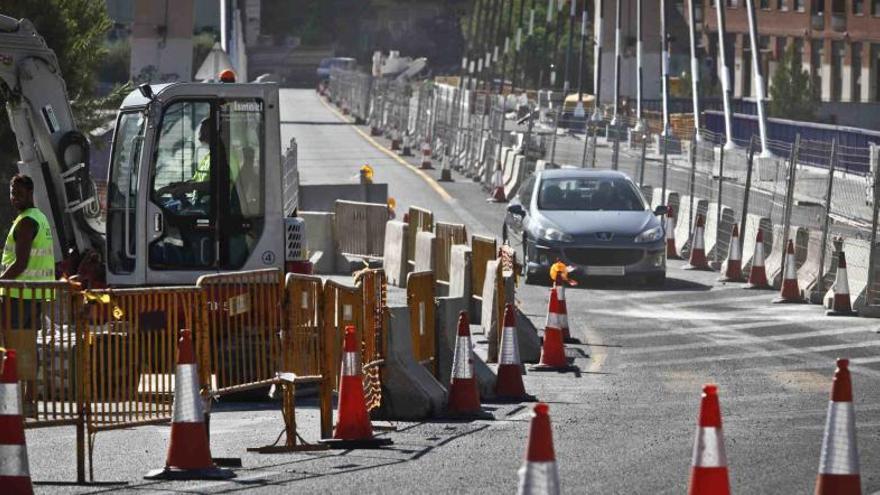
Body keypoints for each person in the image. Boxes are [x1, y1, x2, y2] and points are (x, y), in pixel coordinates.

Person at [0, 174, 56, 328]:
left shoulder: (26, 222)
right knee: (27, 347)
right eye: (13, 193)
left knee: (10, 345)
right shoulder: (40, 218)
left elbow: (21, 263)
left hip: (17, 295)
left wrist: (1, 282)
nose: (15, 197)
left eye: (19, 193)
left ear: (30, 193)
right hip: (34, 295)